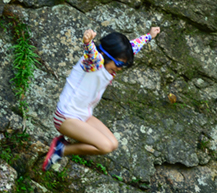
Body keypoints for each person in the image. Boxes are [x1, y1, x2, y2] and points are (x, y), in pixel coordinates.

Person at [43, 26, 161, 171]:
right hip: (66, 117)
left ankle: (61, 147)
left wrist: (149, 36)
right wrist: (87, 42)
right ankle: (60, 149)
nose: (119, 68)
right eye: (118, 64)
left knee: (112, 144)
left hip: (83, 115)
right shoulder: (94, 62)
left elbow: (132, 46)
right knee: (104, 146)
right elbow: (91, 53)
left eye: (123, 65)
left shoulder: (112, 61)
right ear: (105, 55)